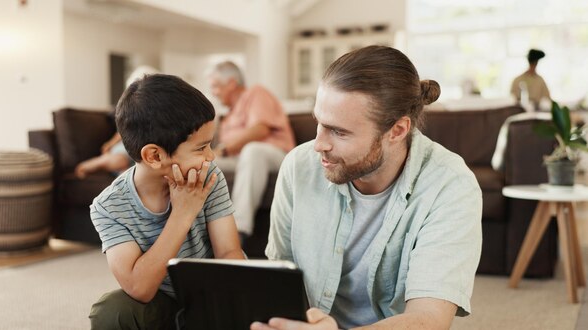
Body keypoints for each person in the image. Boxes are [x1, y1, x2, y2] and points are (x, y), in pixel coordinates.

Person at [253, 46, 482, 330]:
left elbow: (430, 319)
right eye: (319, 123)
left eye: (338, 131)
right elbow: (280, 278)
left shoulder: (450, 186)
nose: (318, 144)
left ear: (397, 131)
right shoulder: (300, 166)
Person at [88, 74, 245, 329]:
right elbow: (139, 289)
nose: (211, 157)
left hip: (212, 295)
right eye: (200, 148)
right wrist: (183, 213)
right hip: (161, 303)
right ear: (154, 156)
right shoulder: (108, 207)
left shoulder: (208, 176)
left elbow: (228, 252)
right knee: (111, 311)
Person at [208, 61, 296, 241]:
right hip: (240, 159)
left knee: (252, 150)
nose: (214, 93)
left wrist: (224, 149)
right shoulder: (228, 114)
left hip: (274, 153)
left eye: (216, 86)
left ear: (231, 83)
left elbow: (260, 129)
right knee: (204, 164)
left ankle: (240, 230)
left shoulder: (256, 93)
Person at [75, 65, 160, 179]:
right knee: (120, 161)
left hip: (145, 150)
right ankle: (91, 164)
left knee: (135, 171)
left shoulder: (158, 112)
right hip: (127, 145)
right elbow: (122, 132)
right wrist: (110, 144)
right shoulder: (132, 111)